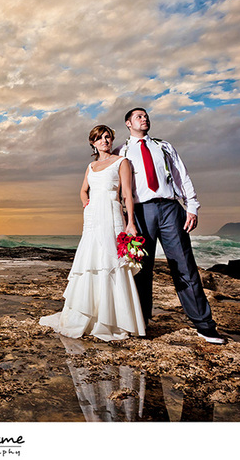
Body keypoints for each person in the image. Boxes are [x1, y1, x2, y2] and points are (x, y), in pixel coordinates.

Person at [116, 107, 226, 344]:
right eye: (139, 117)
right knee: (140, 270)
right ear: (128, 123)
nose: (144, 119)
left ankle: (205, 325)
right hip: (141, 212)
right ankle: (141, 322)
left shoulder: (164, 146)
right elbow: (115, 187)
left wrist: (192, 206)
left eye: (146, 116)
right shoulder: (121, 152)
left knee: (184, 265)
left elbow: (181, 175)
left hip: (169, 209)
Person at [40, 125, 146, 341]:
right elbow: (82, 190)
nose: (104, 141)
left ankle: (113, 320)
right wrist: (85, 203)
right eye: (99, 138)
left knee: (111, 261)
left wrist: (130, 223)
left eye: (107, 137)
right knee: (91, 261)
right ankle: (88, 316)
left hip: (112, 213)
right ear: (93, 143)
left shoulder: (122, 162)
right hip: (92, 217)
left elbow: (127, 194)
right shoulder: (91, 166)